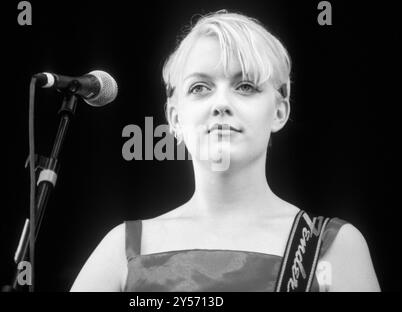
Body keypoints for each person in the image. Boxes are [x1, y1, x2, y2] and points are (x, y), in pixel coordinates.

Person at [70, 10, 380, 292]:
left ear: (279, 112)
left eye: (245, 86)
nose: (221, 103)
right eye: (200, 87)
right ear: (175, 117)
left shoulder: (332, 246)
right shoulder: (123, 250)